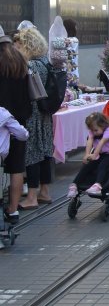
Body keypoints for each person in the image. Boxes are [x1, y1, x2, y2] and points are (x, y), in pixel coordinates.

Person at [15, 28, 55, 209]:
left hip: (33, 115)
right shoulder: (45, 61)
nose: (15, 48)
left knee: (32, 155)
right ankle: (44, 192)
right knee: (46, 152)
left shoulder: (31, 65)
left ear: (26, 45)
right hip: (45, 113)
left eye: (18, 45)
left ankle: (31, 196)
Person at [0, 36, 32, 224]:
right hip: (18, 121)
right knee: (17, 167)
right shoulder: (20, 60)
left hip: (0, 120)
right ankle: (13, 210)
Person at [67, 113, 109, 197]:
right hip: (101, 153)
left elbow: (101, 142)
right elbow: (89, 141)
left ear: (103, 125)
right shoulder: (94, 130)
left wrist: (94, 155)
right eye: (92, 130)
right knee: (87, 165)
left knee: (102, 165)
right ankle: (75, 184)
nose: (94, 132)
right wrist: (87, 155)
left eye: (95, 130)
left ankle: (98, 185)